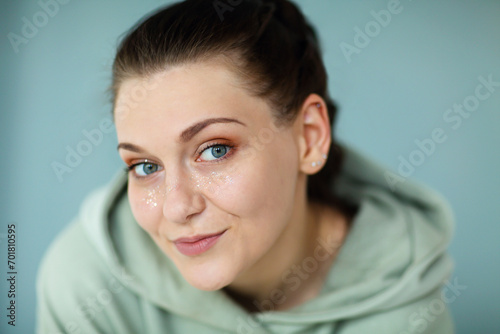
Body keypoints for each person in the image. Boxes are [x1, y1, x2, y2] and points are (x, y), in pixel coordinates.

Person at [36, 0, 455, 333]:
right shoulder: (84, 285)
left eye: (215, 150)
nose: (176, 208)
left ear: (309, 137)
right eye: (145, 166)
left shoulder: (404, 304)